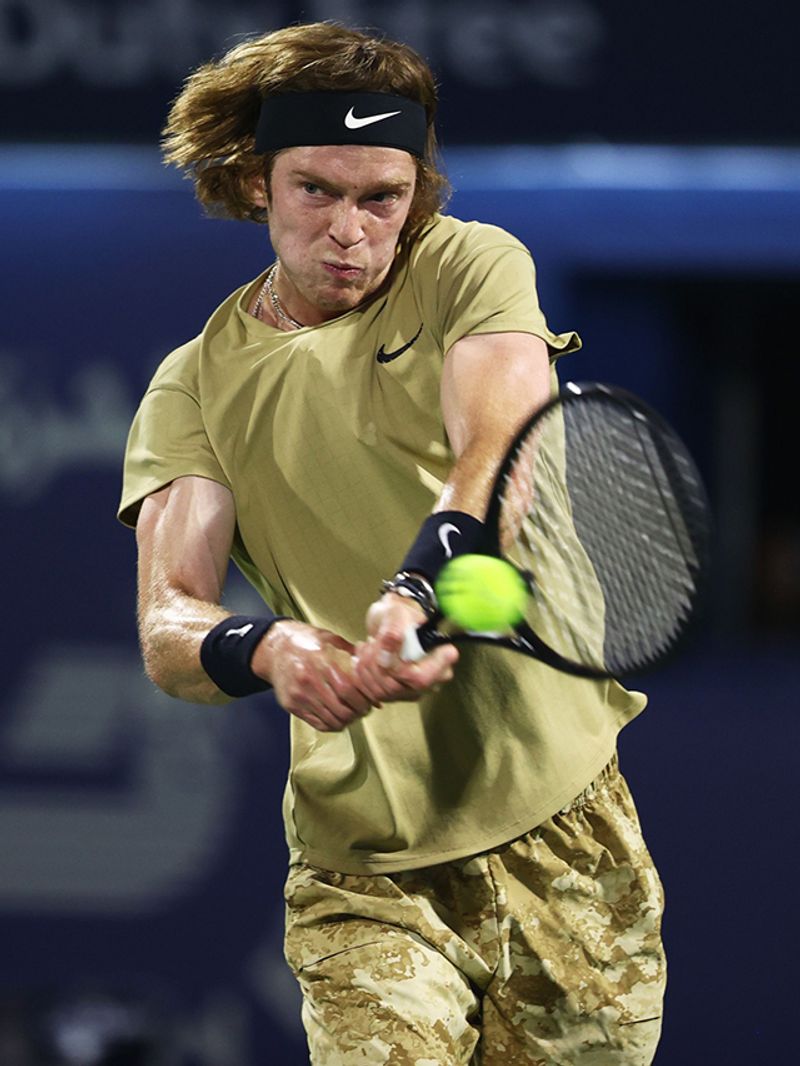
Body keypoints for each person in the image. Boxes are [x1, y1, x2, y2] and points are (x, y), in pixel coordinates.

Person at [118, 22, 666, 1065]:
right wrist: (271, 648)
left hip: (567, 826)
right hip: (362, 865)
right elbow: (167, 620)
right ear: (252, 185)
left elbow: (501, 452)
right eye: (315, 191)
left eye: (381, 196)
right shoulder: (190, 387)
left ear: (416, 190)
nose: (350, 231)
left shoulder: (469, 263)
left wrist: (417, 586)